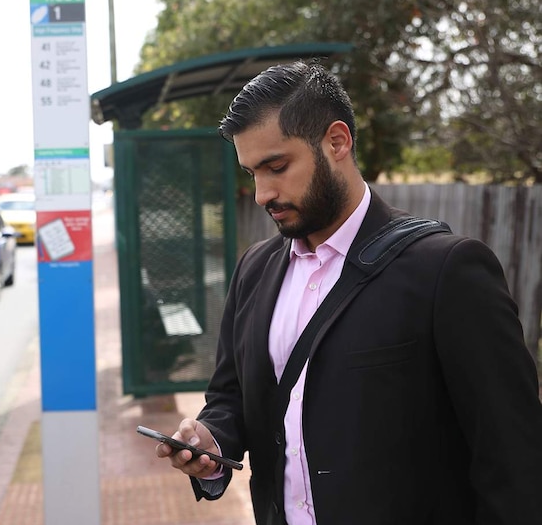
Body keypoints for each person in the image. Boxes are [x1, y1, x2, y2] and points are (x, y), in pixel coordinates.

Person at [154, 60, 542, 525]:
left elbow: (514, 458)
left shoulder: (446, 270)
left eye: (276, 167)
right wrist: (211, 441)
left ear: (337, 141)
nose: (261, 193)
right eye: (252, 172)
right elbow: (231, 397)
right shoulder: (254, 270)